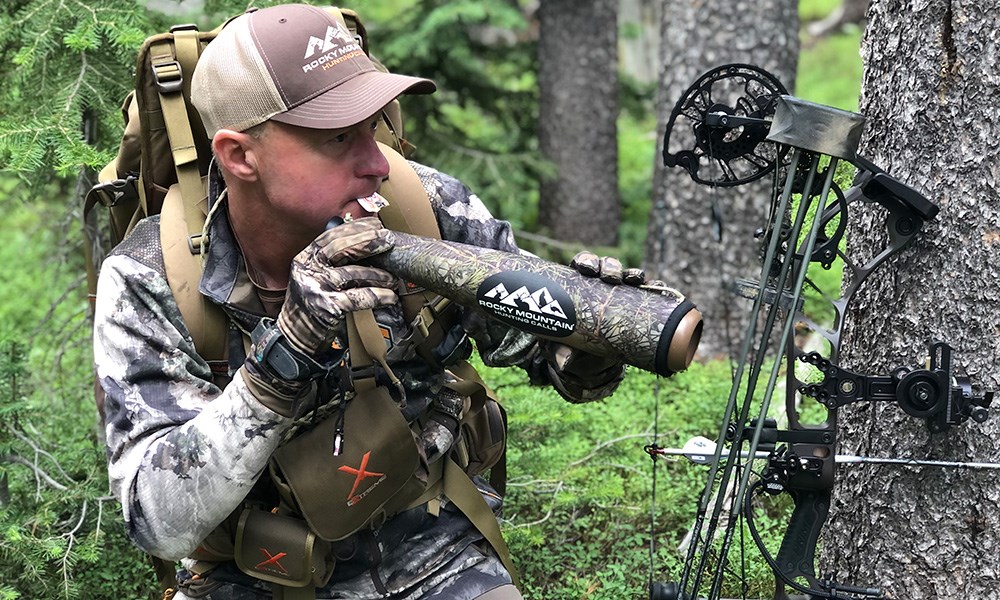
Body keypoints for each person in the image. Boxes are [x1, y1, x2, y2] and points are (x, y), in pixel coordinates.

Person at [93, 4, 631, 599]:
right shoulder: (152, 278)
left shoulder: (423, 207)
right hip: (252, 573)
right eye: (338, 137)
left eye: (372, 126)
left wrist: (593, 338)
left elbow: (542, 350)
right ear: (240, 155)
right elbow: (159, 522)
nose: (377, 163)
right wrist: (284, 358)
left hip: (431, 545)